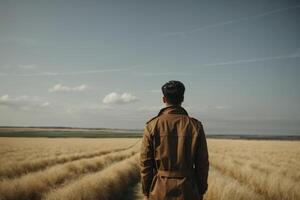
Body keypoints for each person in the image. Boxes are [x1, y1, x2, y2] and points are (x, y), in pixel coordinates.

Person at [140, 80, 209, 200]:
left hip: (159, 191)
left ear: (164, 99)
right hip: (189, 191)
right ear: (182, 98)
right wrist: (201, 190)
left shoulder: (152, 126)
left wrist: (146, 191)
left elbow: (145, 163)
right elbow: (202, 164)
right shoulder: (195, 126)